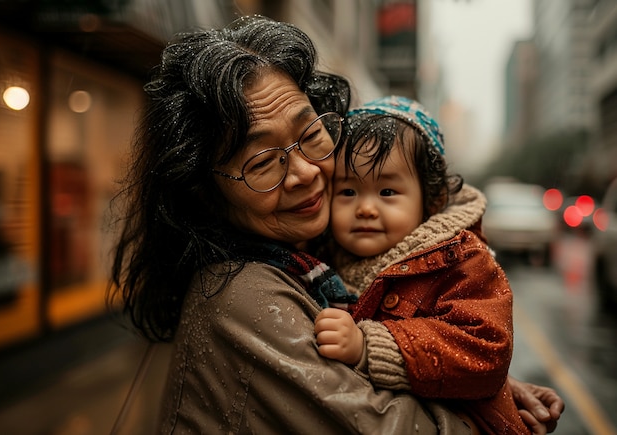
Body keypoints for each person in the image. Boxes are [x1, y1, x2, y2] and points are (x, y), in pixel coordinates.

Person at [107, 15, 563, 434]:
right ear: (204, 192)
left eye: (310, 135)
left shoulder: (315, 257)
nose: (306, 171)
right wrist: (494, 416)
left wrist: (480, 384)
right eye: (263, 161)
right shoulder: (240, 295)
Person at [314, 96, 562, 434]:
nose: (366, 209)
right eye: (348, 192)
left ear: (431, 200)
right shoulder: (324, 255)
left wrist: (370, 346)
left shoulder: (460, 259)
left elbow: (485, 350)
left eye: (387, 191)